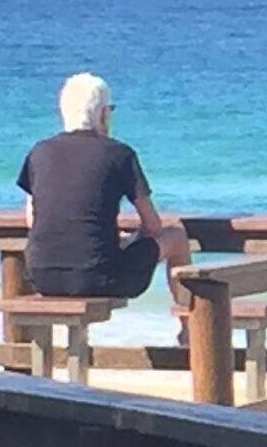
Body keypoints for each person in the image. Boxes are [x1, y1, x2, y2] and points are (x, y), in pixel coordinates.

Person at [16, 72, 191, 308]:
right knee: (177, 236)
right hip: (99, 278)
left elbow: (32, 220)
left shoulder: (39, 152)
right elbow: (153, 226)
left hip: (42, 277)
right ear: (102, 114)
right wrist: (132, 239)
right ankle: (189, 325)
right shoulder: (119, 154)